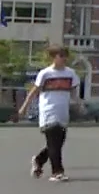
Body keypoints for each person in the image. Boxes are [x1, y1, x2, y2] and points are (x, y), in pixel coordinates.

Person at [20, 45, 78, 181]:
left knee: (58, 142)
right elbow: (34, 92)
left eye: (65, 56)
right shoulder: (45, 73)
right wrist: (24, 108)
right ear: (54, 57)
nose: (64, 59)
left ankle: (39, 160)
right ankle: (57, 172)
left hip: (62, 111)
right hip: (49, 110)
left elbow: (73, 91)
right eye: (61, 56)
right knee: (53, 140)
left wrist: (79, 104)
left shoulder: (70, 73)